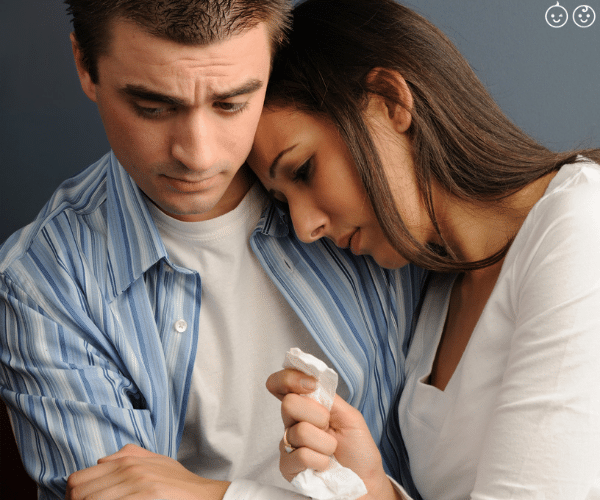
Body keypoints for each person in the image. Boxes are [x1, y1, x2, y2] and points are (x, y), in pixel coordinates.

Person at [0, 1, 428, 499]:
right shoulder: (42, 285)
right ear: (85, 66)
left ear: (273, 59)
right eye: (153, 107)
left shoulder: (369, 206)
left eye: (231, 103)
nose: (197, 156)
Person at [246, 0, 600, 498]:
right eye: (285, 202)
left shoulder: (579, 226)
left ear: (389, 100)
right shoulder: (437, 294)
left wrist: (220, 495)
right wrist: (372, 487)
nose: (305, 228)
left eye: (304, 170)